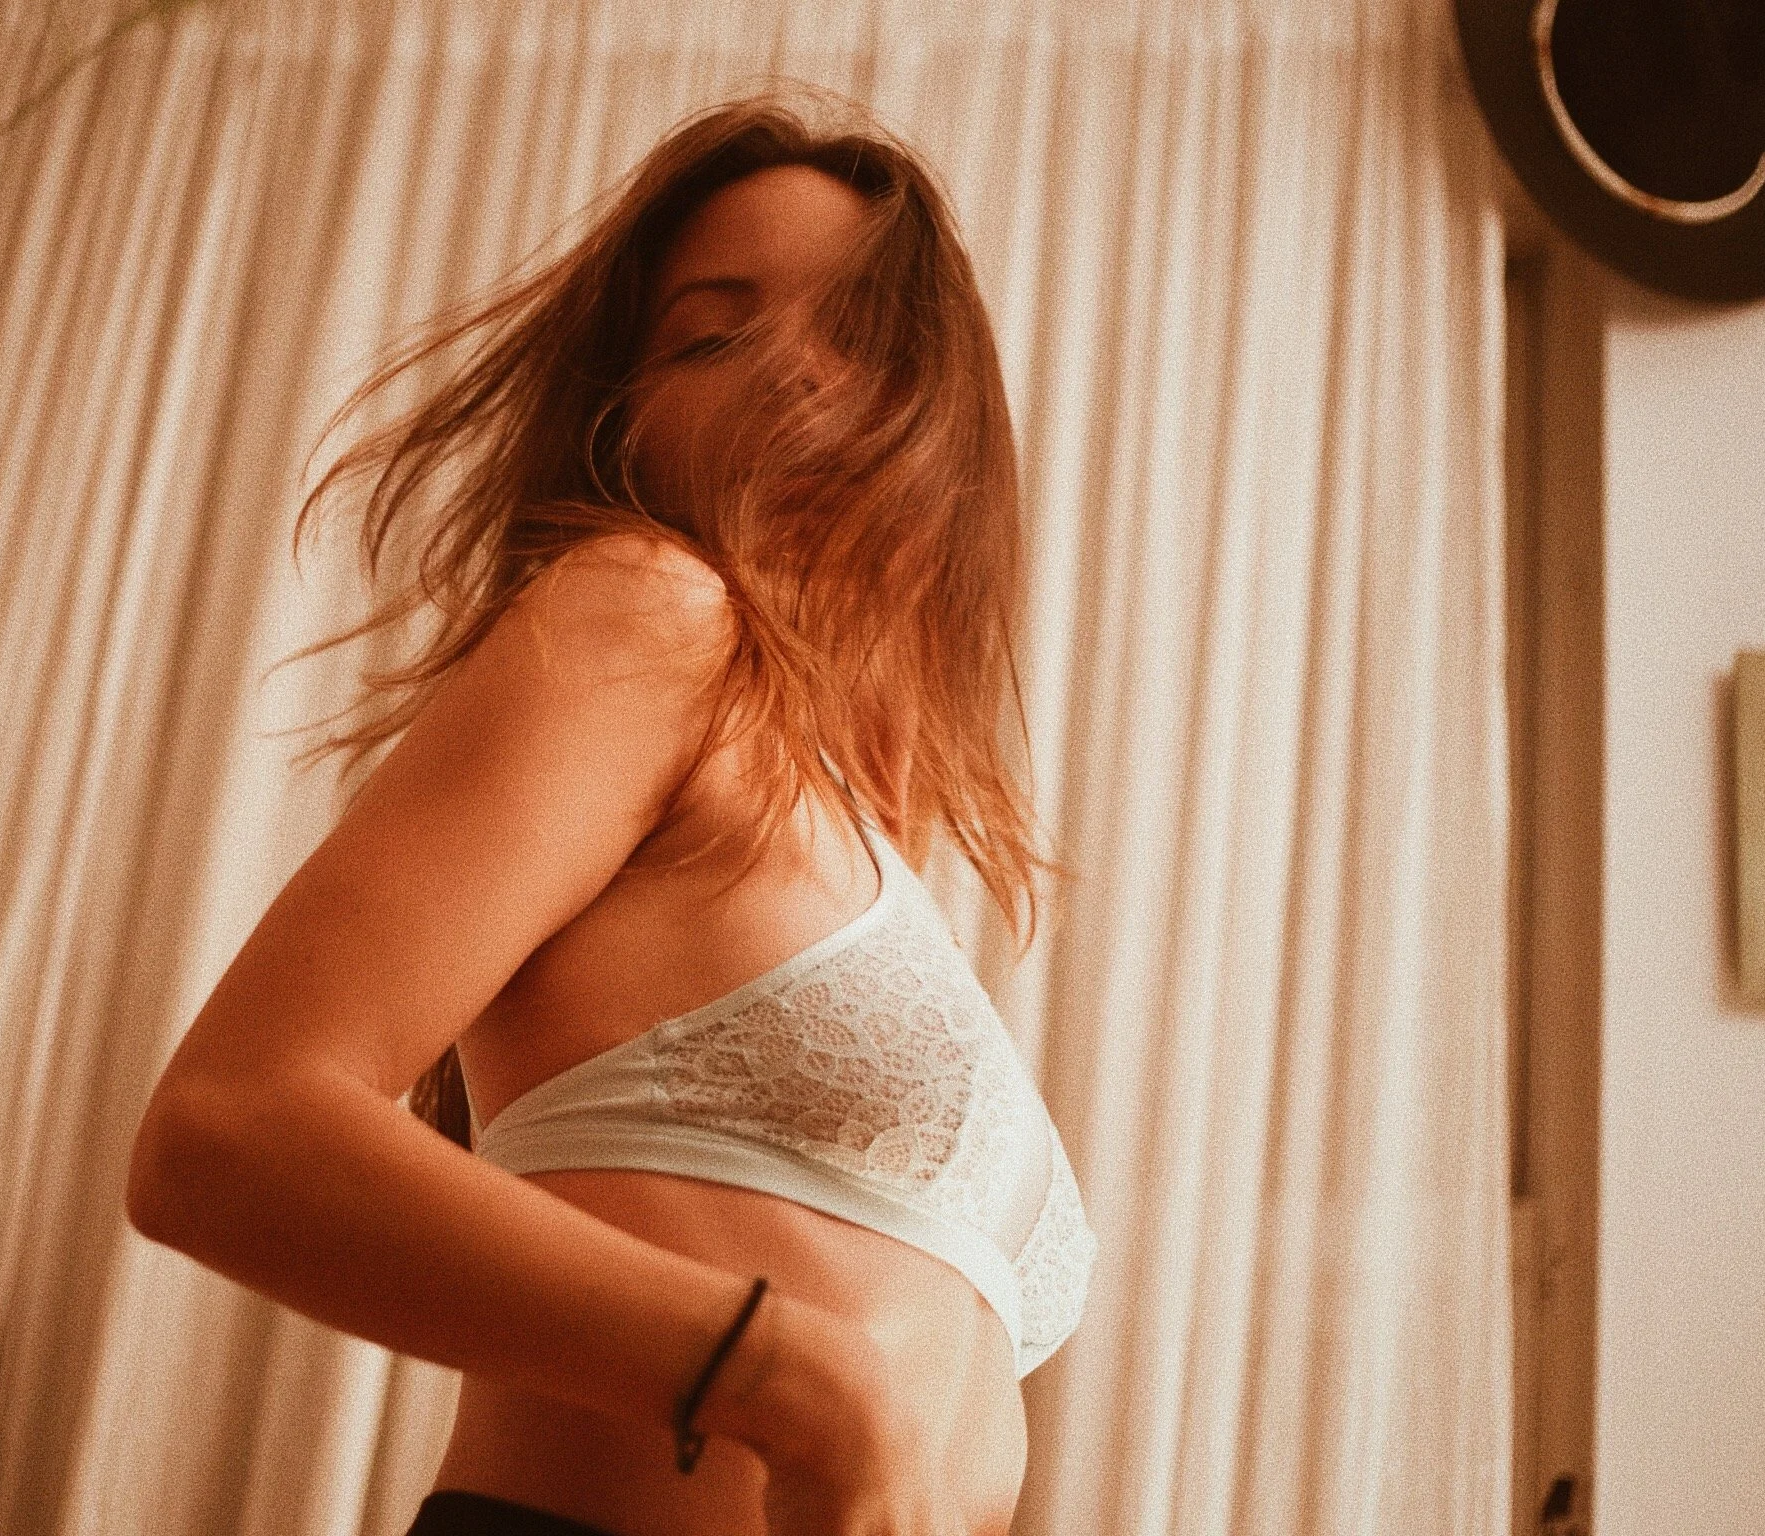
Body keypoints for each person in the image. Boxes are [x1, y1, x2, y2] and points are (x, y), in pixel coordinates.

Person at [124, 87, 1097, 1536]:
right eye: (711, 332)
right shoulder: (654, 611)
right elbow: (226, 1130)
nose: (793, 373)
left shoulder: (859, 824)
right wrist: (793, 1380)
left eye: (855, 331)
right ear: (627, 421)